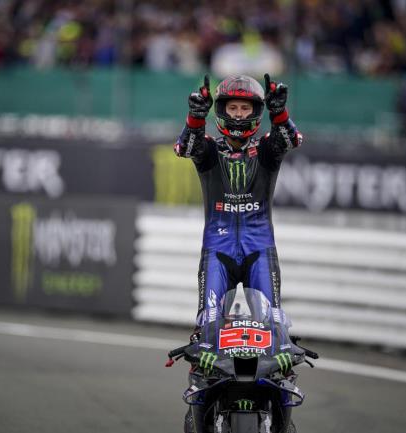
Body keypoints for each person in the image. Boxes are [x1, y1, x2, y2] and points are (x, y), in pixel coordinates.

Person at [174, 74, 302, 432]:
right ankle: (199, 409)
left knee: (275, 324)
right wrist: (194, 117)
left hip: (261, 250)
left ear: (256, 112)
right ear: (222, 110)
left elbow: (291, 139)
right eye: (233, 107)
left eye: (246, 108)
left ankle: (281, 413)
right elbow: (184, 147)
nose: (240, 114)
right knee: (206, 326)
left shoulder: (267, 149)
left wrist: (281, 113)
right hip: (217, 251)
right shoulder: (208, 149)